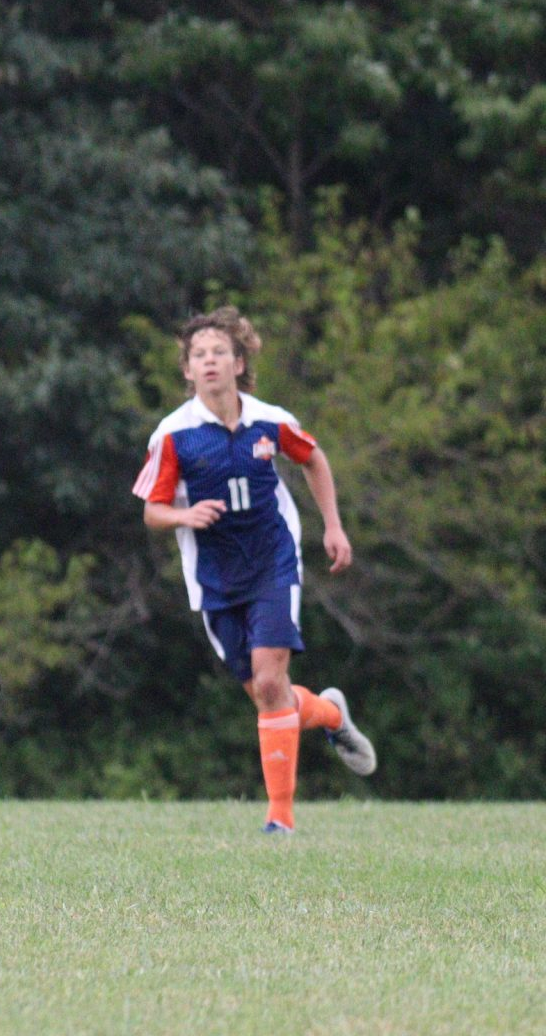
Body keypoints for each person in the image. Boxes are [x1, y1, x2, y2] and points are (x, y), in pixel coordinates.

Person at [133, 307, 377, 833]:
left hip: (273, 562)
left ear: (239, 363)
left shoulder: (270, 421)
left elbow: (313, 459)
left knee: (270, 683)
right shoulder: (173, 435)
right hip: (214, 579)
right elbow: (152, 511)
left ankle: (279, 822)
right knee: (271, 697)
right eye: (199, 355)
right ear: (188, 370)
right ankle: (331, 715)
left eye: (219, 352)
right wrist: (183, 515)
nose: (209, 361)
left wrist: (333, 527)